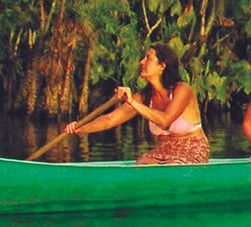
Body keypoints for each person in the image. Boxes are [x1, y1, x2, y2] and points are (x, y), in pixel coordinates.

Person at [64, 42, 210, 164]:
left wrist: (132, 102)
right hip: (163, 150)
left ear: (162, 66)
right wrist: (79, 128)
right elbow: (110, 120)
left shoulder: (182, 89)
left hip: (192, 149)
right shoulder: (143, 97)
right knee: (142, 163)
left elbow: (165, 121)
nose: (141, 62)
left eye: (148, 58)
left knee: (172, 166)